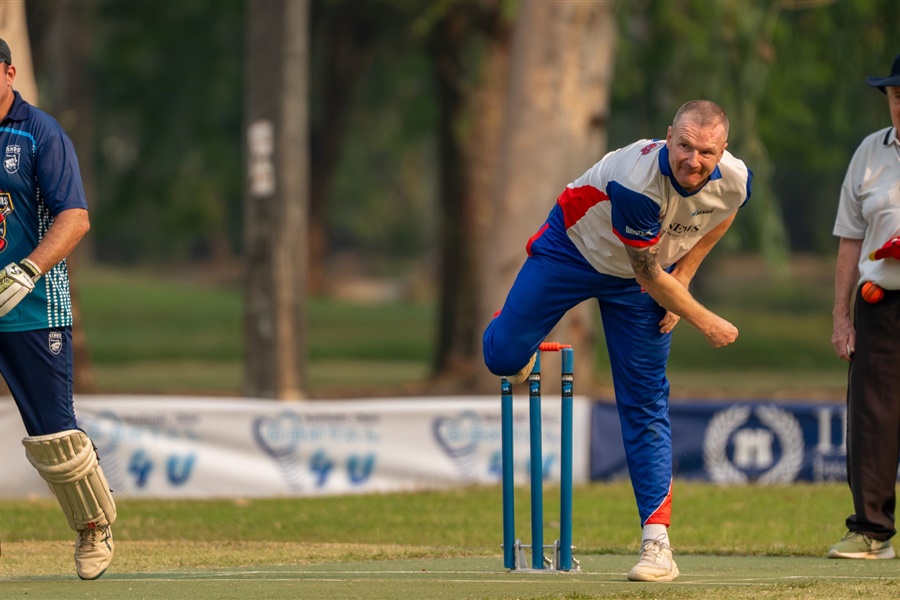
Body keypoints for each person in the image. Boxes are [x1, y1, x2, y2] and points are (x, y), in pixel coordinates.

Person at [483, 100, 750, 582]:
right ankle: (513, 333)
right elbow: (647, 274)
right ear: (668, 136)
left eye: (706, 152)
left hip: (641, 278)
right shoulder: (637, 182)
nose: (693, 160)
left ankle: (657, 545)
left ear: (723, 149)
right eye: (684, 146)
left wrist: (684, 275)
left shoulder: (734, 177)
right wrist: (705, 321)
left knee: (646, 402)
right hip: (574, 248)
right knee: (502, 357)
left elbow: (725, 212)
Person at [0, 37, 116, 579]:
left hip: (31, 307)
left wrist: (26, 271)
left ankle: (93, 526)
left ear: (10, 73)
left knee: (55, 436)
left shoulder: (39, 132)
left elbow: (75, 218)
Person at [828, 52, 900, 561]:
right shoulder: (870, 153)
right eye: (898, 97)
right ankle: (871, 531)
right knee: (872, 419)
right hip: (881, 305)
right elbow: (850, 240)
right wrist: (840, 315)